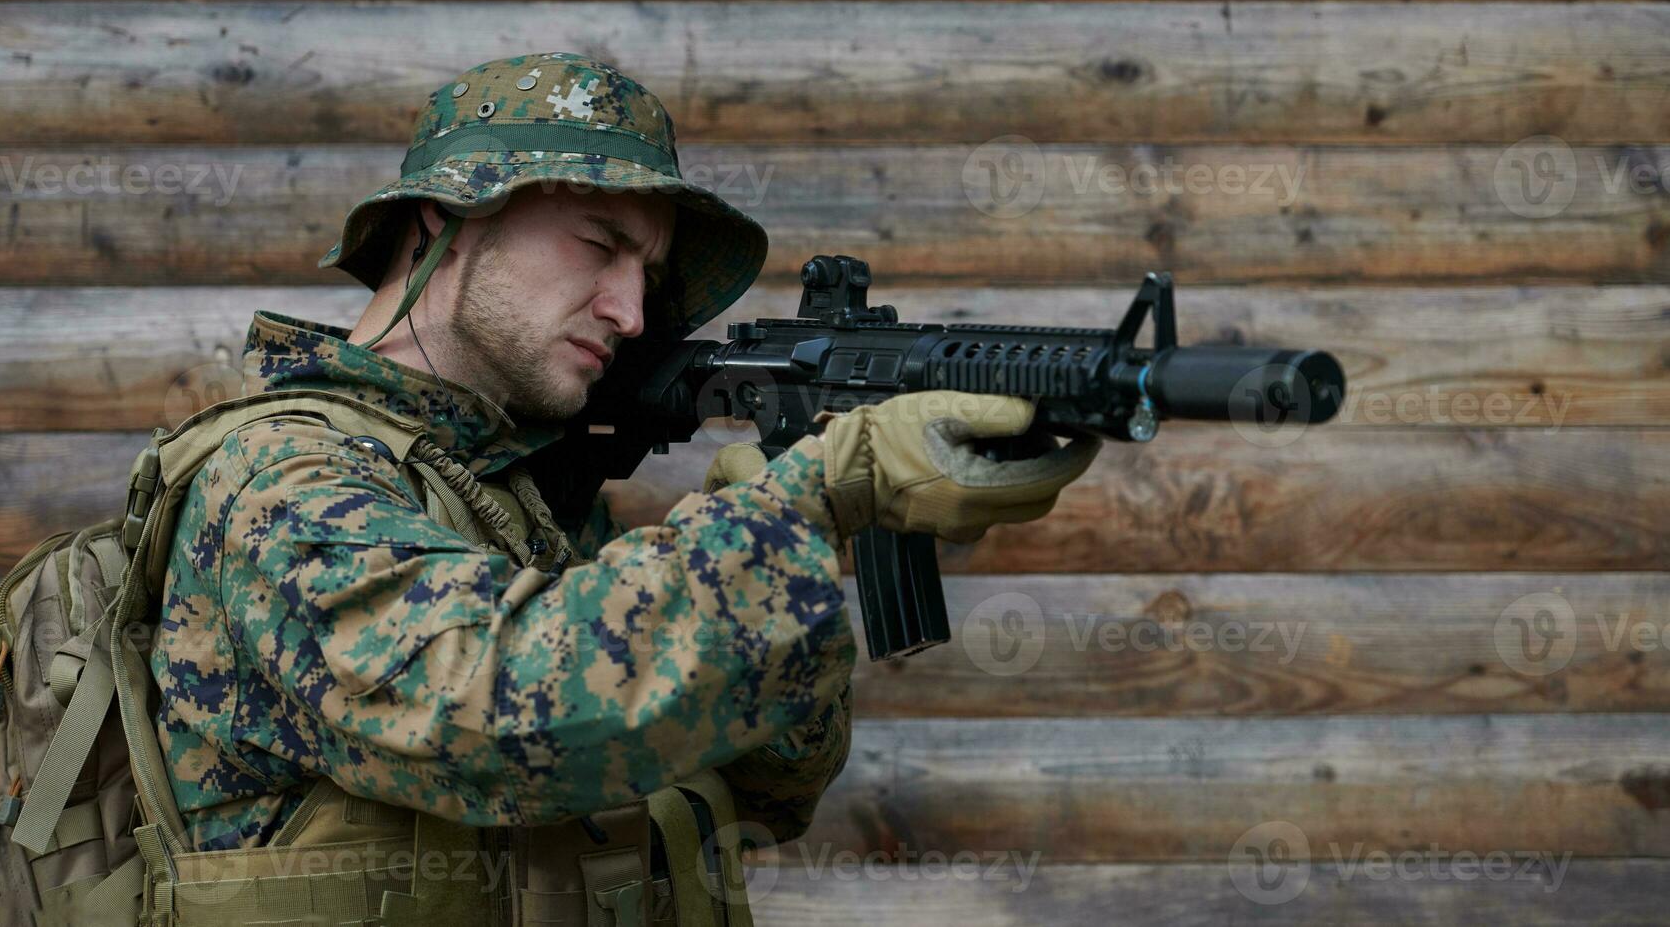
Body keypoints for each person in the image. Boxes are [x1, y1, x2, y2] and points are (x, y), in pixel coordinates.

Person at [148, 52, 1100, 925]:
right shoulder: (278, 479)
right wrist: (807, 500)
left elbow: (767, 795)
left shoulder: (519, 499)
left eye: (646, 269)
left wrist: (767, 525)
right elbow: (502, 710)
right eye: (600, 244)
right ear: (447, 213)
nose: (632, 310)